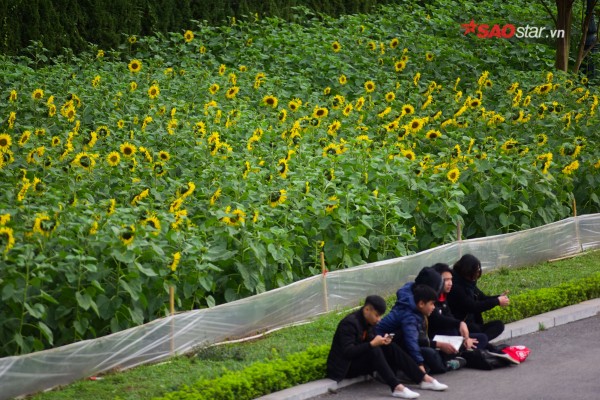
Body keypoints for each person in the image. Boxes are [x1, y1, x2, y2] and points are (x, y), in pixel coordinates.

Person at [327, 295, 446, 398]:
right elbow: (348, 352)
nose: (379, 320)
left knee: (390, 346)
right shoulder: (349, 323)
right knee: (374, 350)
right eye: (377, 315)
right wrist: (372, 344)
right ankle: (396, 387)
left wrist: (382, 341)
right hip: (345, 368)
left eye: (380, 316)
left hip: (358, 361)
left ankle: (423, 379)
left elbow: (369, 340)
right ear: (367, 309)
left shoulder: (368, 321)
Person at [375, 267, 454, 379]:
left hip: (403, 341)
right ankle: (402, 370)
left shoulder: (416, 298)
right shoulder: (409, 311)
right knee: (431, 355)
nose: (434, 306)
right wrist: (419, 365)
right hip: (388, 345)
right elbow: (412, 340)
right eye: (432, 303)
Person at [429, 263, 487, 366]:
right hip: (435, 339)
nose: (450, 283)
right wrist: (459, 324)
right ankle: (464, 354)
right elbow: (437, 319)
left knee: (482, 338)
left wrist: (465, 338)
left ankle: (462, 353)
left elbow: (450, 316)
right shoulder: (428, 298)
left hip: (452, 336)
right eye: (445, 280)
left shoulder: (443, 296)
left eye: (451, 279)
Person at [446, 254, 509, 344]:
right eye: (476, 272)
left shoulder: (469, 284)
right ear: (467, 271)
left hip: (473, 323)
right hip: (462, 325)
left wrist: (498, 297)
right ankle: (477, 343)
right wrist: (497, 301)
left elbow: (482, 297)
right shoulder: (456, 287)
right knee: (479, 332)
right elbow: (473, 306)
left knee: (498, 325)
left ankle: (479, 342)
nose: (477, 274)